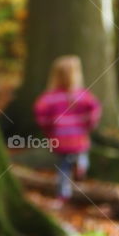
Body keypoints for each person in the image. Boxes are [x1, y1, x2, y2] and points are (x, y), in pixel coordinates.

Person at [33, 56, 101, 205]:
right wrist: (88, 125)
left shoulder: (49, 98)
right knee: (82, 153)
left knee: (63, 166)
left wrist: (48, 130)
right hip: (79, 138)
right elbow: (94, 110)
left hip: (60, 139)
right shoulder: (83, 95)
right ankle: (81, 166)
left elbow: (41, 115)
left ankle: (63, 193)